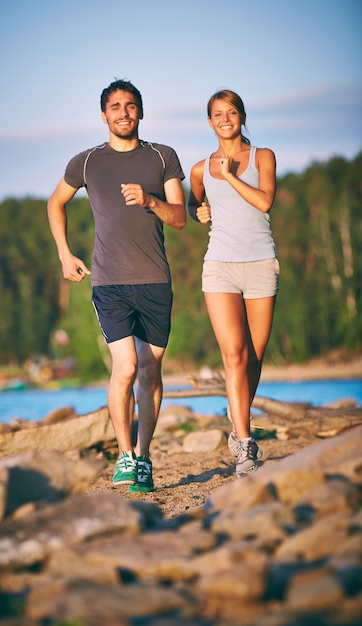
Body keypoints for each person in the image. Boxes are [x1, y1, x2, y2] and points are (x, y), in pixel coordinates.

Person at [47, 79, 186, 493]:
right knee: (125, 366)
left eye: (130, 106)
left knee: (150, 369)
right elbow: (55, 202)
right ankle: (124, 455)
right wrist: (64, 254)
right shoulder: (86, 163)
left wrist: (149, 201)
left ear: (140, 112)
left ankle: (143, 456)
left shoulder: (163, 157)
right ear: (104, 115)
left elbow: (179, 217)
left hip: (155, 281)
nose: (123, 113)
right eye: (114, 107)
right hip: (109, 282)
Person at [188, 89, 279, 478]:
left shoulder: (263, 156)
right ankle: (244, 443)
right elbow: (193, 205)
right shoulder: (199, 169)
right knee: (234, 356)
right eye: (217, 114)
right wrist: (199, 211)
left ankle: (235, 420)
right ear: (209, 122)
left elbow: (264, 202)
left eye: (231, 112)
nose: (225, 119)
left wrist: (227, 175)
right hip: (220, 266)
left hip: (261, 263)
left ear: (241, 116)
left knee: (254, 358)